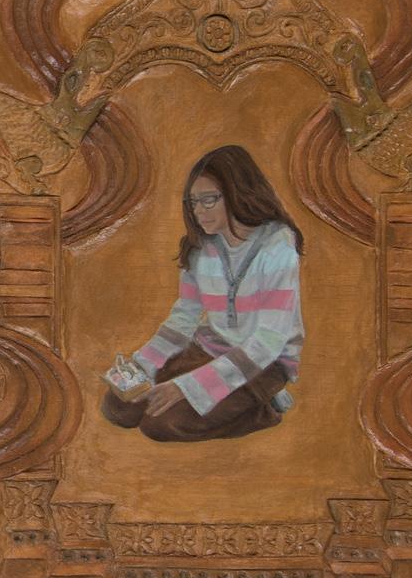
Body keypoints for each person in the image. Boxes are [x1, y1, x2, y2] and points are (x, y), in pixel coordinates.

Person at [101, 144, 305, 441]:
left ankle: (265, 407)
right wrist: (140, 365)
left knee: (160, 425)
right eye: (193, 202)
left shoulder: (278, 245)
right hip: (209, 349)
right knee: (118, 408)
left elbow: (268, 341)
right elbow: (184, 318)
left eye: (208, 200)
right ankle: (229, 399)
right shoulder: (200, 247)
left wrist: (185, 387)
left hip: (263, 362)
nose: (198, 212)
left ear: (238, 192)